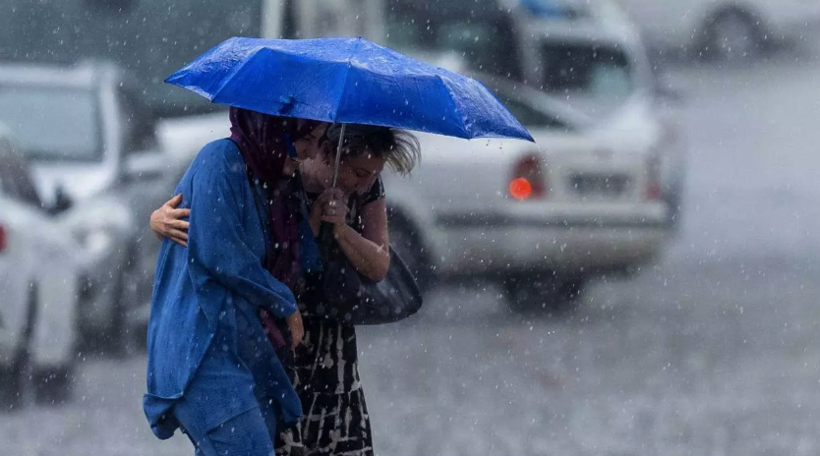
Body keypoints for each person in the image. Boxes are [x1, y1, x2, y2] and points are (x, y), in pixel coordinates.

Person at [151, 123, 420, 456]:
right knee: (273, 441)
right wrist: (158, 221)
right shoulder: (279, 168)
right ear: (328, 153)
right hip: (275, 331)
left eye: (371, 175)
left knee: (330, 438)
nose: (363, 183)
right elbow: (223, 237)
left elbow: (379, 265)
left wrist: (341, 231)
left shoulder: (364, 189)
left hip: (328, 332)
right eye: (359, 172)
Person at [144, 106, 330, 456]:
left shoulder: (270, 181)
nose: (311, 152)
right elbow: (221, 254)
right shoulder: (220, 160)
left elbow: (298, 259)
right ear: (275, 129)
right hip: (202, 355)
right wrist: (283, 301)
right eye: (306, 138)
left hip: (243, 353)